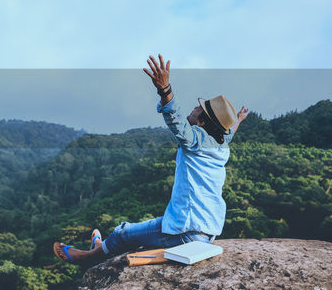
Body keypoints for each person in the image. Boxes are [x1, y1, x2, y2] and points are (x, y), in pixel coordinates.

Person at [54, 54, 250, 264]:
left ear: (202, 122)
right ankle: (101, 247)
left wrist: (165, 90)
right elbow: (229, 133)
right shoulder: (221, 145)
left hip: (185, 231)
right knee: (146, 229)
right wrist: (237, 120)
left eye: (198, 108)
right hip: (207, 231)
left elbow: (178, 125)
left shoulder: (197, 141)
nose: (194, 107)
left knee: (123, 232)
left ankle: (90, 256)